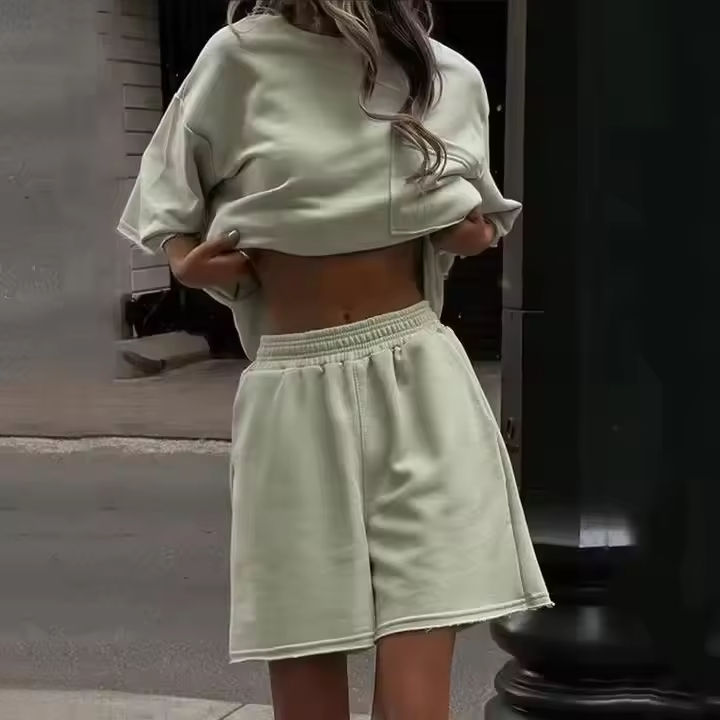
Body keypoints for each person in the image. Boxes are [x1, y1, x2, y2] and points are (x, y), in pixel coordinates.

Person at [118, 1, 552, 718]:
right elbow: (168, 188)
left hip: (420, 378)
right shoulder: (238, 58)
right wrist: (184, 261)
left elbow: (474, 216)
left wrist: (459, 231)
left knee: (420, 649)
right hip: (294, 387)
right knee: (305, 650)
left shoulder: (444, 74)